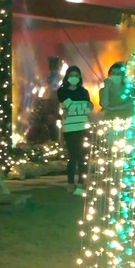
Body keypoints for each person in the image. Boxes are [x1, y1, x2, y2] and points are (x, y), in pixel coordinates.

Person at [57, 66, 92, 195]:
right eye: (71, 75)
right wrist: (81, 107)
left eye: (76, 75)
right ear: (67, 76)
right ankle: (70, 183)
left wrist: (73, 108)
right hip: (70, 127)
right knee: (73, 156)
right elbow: (70, 106)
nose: (74, 77)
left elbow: (89, 108)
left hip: (83, 126)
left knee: (83, 155)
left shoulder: (84, 91)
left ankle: (81, 183)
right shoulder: (62, 91)